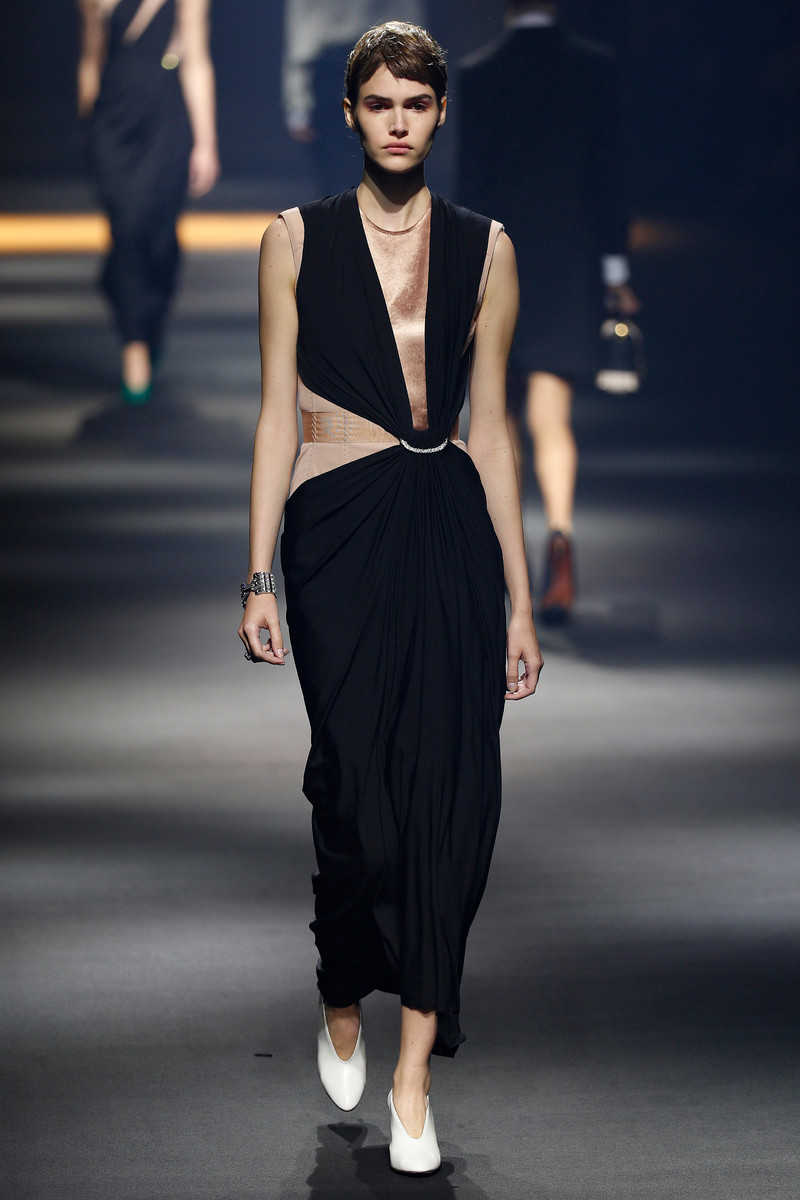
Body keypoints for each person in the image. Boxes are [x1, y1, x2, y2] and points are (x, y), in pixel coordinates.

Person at [238, 21, 543, 1176]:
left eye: (416, 102)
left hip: (447, 533)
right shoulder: (292, 240)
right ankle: (340, 988)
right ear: (351, 114)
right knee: (356, 796)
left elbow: (493, 432)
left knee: (448, 801)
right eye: (379, 103)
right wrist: (257, 571)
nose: (399, 121)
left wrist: (519, 603)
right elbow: (275, 415)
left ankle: (412, 1077)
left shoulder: (486, 250)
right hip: (335, 532)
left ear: (440, 112)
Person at [456, 1, 640, 621]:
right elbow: (610, 174)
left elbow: (473, 185)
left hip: (500, 261)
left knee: (500, 414)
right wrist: (615, 272)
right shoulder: (596, 68)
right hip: (570, 262)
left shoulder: (480, 72)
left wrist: (464, 274)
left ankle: (503, 561)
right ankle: (560, 547)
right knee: (551, 415)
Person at [77, 0, 219, 404]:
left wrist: (205, 143)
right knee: (127, 229)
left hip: (165, 118)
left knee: (159, 237)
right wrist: (88, 132)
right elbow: (91, 58)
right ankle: (135, 343)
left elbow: (196, 62)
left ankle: (147, 319)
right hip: (112, 121)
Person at [282, 0, 422, 195]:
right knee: (338, 164)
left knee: (378, 159)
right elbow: (301, 34)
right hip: (335, 67)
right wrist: (298, 103)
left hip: (376, 62)